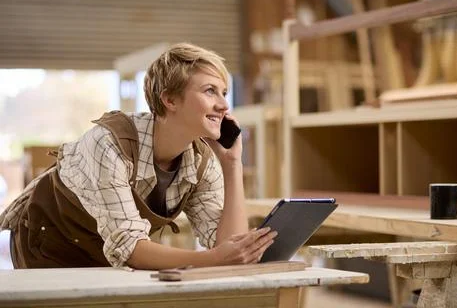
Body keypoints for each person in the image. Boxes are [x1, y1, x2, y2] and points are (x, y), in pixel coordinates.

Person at [0, 43, 277, 269]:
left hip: (102, 255)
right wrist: (212, 260)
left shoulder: (201, 160)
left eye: (224, 92)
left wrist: (232, 164)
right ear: (169, 100)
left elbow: (230, 247)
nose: (224, 104)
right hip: (48, 246)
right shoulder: (109, 143)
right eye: (210, 91)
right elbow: (130, 248)